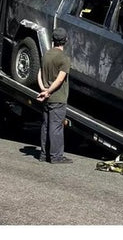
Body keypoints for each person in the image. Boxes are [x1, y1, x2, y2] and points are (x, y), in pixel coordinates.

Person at [36, 27, 73, 164]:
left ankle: (43, 154)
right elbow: (60, 79)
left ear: (53, 40)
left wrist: (43, 89)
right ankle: (56, 156)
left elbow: (39, 73)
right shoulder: (64, 58)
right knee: (56, 127)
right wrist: (49, 91)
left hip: (46, 97)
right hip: (58, 97)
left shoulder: (46, 55)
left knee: (45, 126)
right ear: (66, 40)